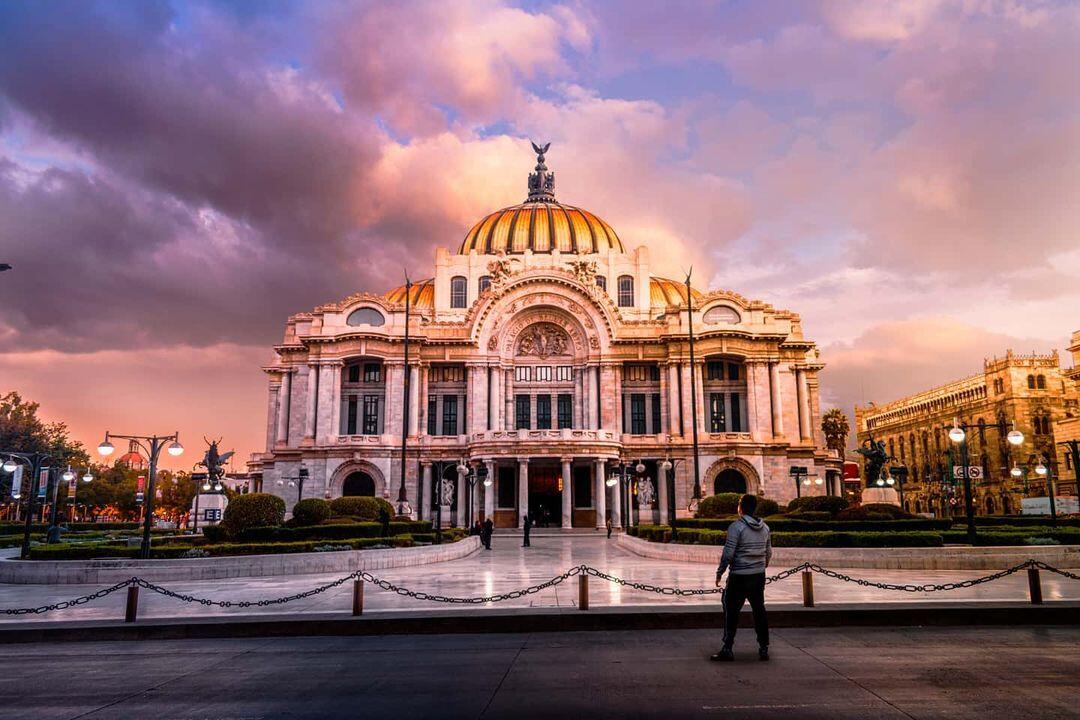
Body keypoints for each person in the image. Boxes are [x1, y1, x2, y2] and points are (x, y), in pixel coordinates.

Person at [712, 493, 771, 662]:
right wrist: (760, 566)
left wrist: (720, 572)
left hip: (739, 576)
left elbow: (728, 553)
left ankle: (728, 648)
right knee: (759, 610)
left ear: (741, 508)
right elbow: (769, 552)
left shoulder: (736, 527)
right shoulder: (765, 527)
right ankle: (764, 647)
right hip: (758, 576)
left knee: (731, 611)